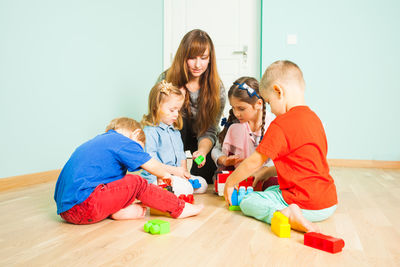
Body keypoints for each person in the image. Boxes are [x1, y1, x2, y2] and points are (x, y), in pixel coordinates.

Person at [224, 60, 338, 233]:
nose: (271, 108)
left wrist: (231, 182)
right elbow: (302, 164)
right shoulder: (315, 120)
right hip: (328, 204)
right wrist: (265, 172)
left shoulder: (281, 124)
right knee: (272, 188)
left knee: (249, 202)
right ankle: (292, 211)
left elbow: (253, 161)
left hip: (305, 205)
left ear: (278, 92)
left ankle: (288, 215)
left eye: (269, 102)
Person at [54, 117, 203, 225]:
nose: (137, 153)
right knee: (137, 183)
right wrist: (165, 175)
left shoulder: (98, 144)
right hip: (84, 205)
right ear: (136, 134)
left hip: (66, 211)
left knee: (123, 185)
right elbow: (150, 164)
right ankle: (179, 208)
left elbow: (114, 187)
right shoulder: (120, 140)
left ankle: (117, 211)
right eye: (139, 148)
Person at [157, 29, 225, 184]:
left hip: (201, 139)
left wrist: (202, 151)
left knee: (205, 176)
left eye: (203, 58)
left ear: (210, 59)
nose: (197, 64)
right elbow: (160, 121)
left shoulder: (217, 88)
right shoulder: (166, 80)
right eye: (192, 58)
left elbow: (210, 129)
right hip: (173, 134)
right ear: (183, 57)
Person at [141, 80, 208, 195]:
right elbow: (151, 162)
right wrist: (175, 172)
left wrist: (184, 173)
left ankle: (181, 186)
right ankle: (164, 189)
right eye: (172, 110)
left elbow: (181, 155)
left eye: (178, 110)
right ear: (155, 108)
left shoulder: (175, 131)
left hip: (176, 173)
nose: (176, 114)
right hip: (159, 176)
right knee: (185, 189)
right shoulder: (150, 132)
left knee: (203, 184)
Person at [211, 77, 277, 189]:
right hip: (240, 173)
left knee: (273, 183)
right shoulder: (235, 124)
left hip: (265, 174)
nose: (236, 113)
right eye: (233, 108)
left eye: (241, 109)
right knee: (220, 176)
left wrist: (263, 172)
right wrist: (224, 160)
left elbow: (278, 161)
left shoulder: (274, 125)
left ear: (258, 104)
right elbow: (216, 149)